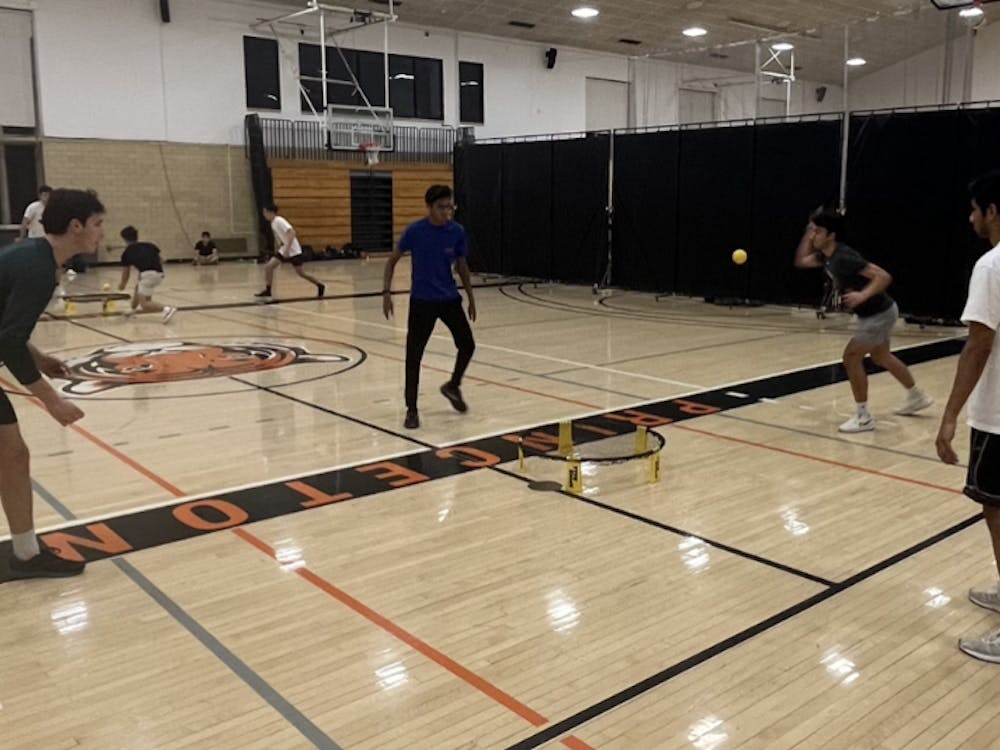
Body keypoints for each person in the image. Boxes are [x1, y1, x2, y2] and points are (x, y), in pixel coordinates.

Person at [1, 189, 104, 578]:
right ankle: (26, 554)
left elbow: (6, 328)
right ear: (75, 226)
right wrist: (52, 400)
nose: (101, 233)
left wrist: (39, 359)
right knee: (11, 454)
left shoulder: (34, 258)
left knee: (12, 454)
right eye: (97, 224)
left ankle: (26, 554)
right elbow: (7, 341)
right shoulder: (38, 269)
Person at [935, 170, 1000, 663]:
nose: (970, 217)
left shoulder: (991, 266)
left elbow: (979, 344)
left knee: (997, 511)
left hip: (999, 418)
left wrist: (951, 415)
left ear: (993, 212)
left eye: (976, 209)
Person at [794, 208, 932, 432]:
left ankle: (864, 417)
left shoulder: (844, 257)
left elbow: (883, 276)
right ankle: (917, 397)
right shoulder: (826, 256)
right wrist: (808, 231)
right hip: (876, 313)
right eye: (813, 231)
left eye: (818, 231)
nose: (813, 236)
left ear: (831, 235)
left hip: (879, 314)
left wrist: (862, 295)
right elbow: (802, 260)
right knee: (881, 356)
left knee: (851, 357)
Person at [382, 184, 476, 429]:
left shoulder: (456, 231)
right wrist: (386, 293)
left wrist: (470, 296)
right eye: (441, 207)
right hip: (422, 301)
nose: (446, 211)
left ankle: (453, 385)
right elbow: (392, 261)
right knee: (414, 355)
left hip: (449, 299)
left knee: (467, 344)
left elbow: (462, 265)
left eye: (449, 206)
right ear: (429, 208)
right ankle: (411, 409)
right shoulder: (415, 231)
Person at [255, 204, 325, 299]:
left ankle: (320, 285)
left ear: (270, 212)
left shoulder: (279, 220)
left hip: (293, 250)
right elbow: (280, 238)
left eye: (265, 212)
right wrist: (280, 248)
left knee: (301, 273)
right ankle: (268, 290)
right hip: (284, 249)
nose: (264, 214)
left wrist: (287, 249)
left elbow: (292, 232)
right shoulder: (273, 223)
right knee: (269, 267)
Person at [117, 226, 176, 322]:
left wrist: (122, 285)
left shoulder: (126, 253)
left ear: (124, 239)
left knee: (145, 304)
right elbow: (163, 260)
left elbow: (126, 275)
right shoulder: (150, 245)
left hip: (148, 276)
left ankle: (167, 309)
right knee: (138, 287)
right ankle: (133, 310)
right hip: (159, 274)